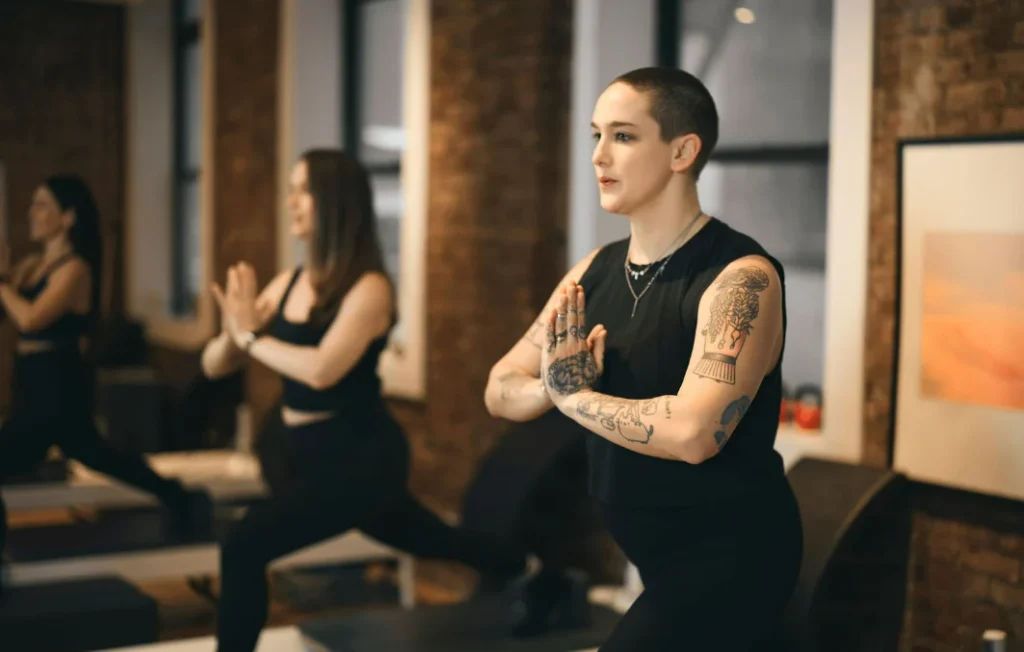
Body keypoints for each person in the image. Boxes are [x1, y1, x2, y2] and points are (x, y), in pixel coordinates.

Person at [484, 67, 804, 651]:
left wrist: (573, 396)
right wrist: (548, 389)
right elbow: (501, 384)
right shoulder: (593, 271)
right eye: (595, 135)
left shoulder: (740, 279)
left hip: (733, 553)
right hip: (655, 553)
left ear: (682, 151)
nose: (600, 155)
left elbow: (693, 433)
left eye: (624, 136)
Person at [203, 149, 537, 652]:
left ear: (335, 202)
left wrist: (252, 339)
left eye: (302, 190)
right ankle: (529, 568)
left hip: (359, 459)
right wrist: (234, 333)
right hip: (301, 455)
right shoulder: (288, 283)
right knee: (429, 538)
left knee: (244, 545)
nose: (290, 201)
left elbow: (321, 369)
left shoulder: (370, 289)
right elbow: (212, 365)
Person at [0, 175, 208, 597]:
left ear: (68, 216)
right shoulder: (30, 266)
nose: (32, 213)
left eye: (42, 205)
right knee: (99, 454)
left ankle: (180, 496)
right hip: (31, 384)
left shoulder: (75, 269)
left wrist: (1, 285)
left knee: (90, 454)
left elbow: (31, 318)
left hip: (58, 386)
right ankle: (179, 495)